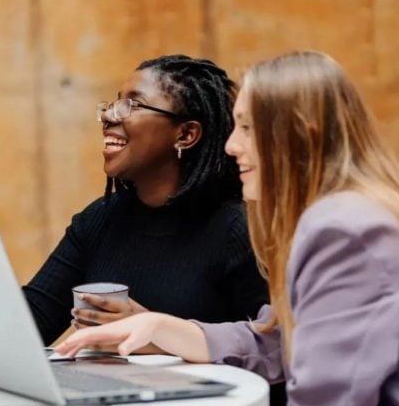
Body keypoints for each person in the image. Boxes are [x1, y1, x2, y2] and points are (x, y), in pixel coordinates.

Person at [56, 51, 399, 405]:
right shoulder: (343, 216)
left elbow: (327, 397)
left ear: (300, 135)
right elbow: (274, 340)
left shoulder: (342, 231)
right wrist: (159, 327)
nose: (232, 146)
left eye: (248, 128)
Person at [23, 55, 269, 344]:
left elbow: (266, 354)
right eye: (114, 103)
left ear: (186, 134)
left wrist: (156, 333)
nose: (108, 115)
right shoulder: (100, 219)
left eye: (133, 104)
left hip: (204, 391)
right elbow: (30, 322)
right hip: (107, 388)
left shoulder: (237, 230)